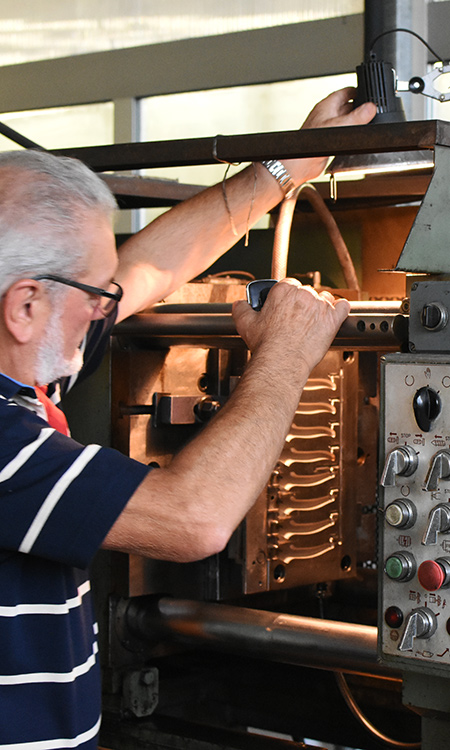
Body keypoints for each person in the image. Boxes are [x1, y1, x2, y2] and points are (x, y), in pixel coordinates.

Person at [0, 87, 375, 749]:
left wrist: (288, 165)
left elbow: (148, 266)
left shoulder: (28, 366)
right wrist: (288, 352)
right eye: (92, 292)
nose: (107, 309)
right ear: (25, 306)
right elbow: (194, 517)